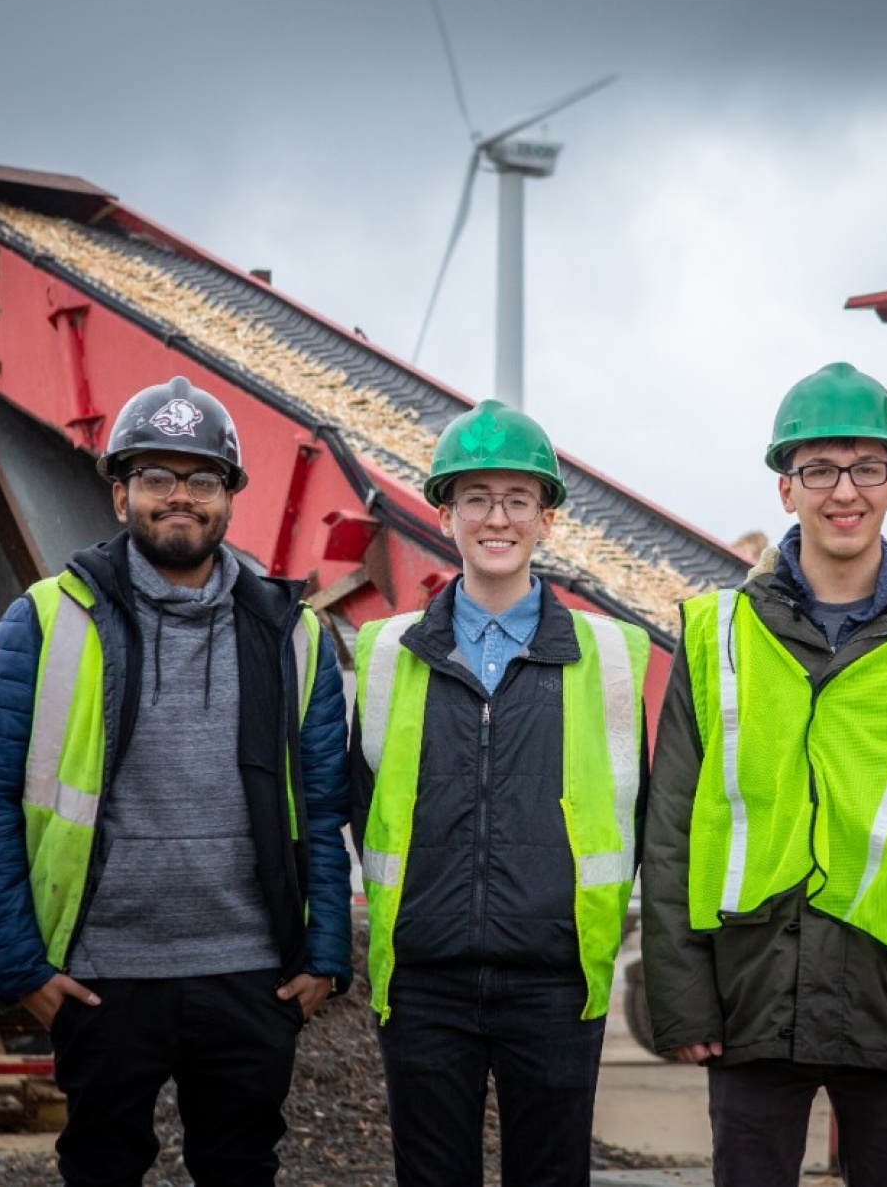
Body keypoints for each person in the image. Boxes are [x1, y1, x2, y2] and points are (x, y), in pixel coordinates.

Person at [0, 376, 352, 1187]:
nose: (180, 497)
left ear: (231, 498)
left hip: (251, 972)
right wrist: (19, 966)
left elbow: (322, 800)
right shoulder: (43, 620)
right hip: (103, 975)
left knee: (240, 1169)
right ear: (120, 495)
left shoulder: (293, 635)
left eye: (202, 478)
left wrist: (328, 951)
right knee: (102, 1169)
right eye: (156, 478)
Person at [640, 362, 887, 1187]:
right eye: (818, 469)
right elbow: (668, 832)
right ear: (786, 490)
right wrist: (685, 1000)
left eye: (865, 467)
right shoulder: (715, 635)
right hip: (750, 996)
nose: (843, 491)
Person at [350, 399, 650, 1187]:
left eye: (519, 499)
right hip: (423, 983)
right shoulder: (385, 654)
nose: (497, 517)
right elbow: (354, 803)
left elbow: (641, 812)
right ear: (444, 513)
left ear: (546, 519)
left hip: (555, 982)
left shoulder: (611, 657)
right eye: (476, 497)